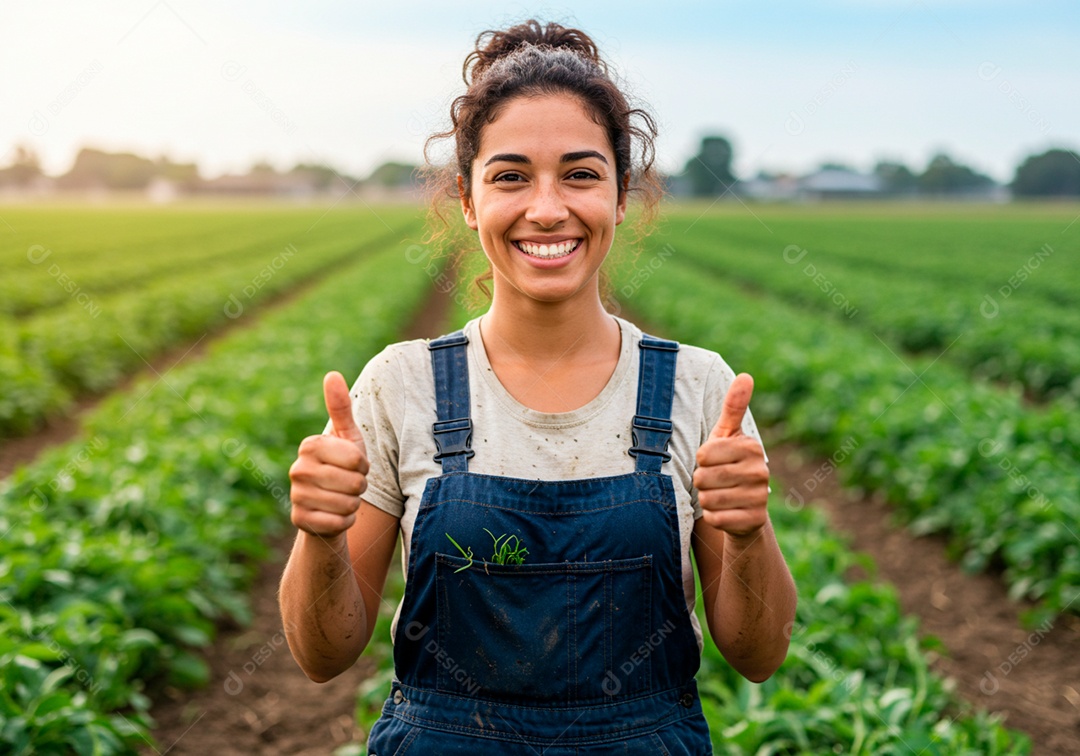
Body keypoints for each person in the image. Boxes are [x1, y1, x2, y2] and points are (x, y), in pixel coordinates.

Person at [280, 19, 796, 753]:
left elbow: (759, 654)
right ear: (468, 200)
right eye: (511, 176)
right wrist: (320, 537)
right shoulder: (400, 385)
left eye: (581, 174)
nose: (547, 208)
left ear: (621, 196)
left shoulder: (698, 387)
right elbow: (322, 655)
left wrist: (747, 533)